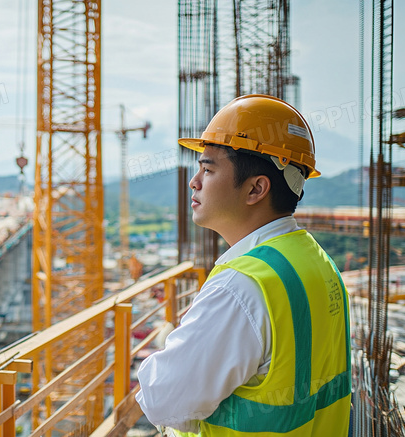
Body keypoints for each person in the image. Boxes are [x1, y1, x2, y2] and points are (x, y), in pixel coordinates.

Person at [134, 94, 351, 436]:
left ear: (256, 189)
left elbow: (162, 399)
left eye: (208, 169)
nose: (195, 181)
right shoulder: (317, 262)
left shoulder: (241, 286)